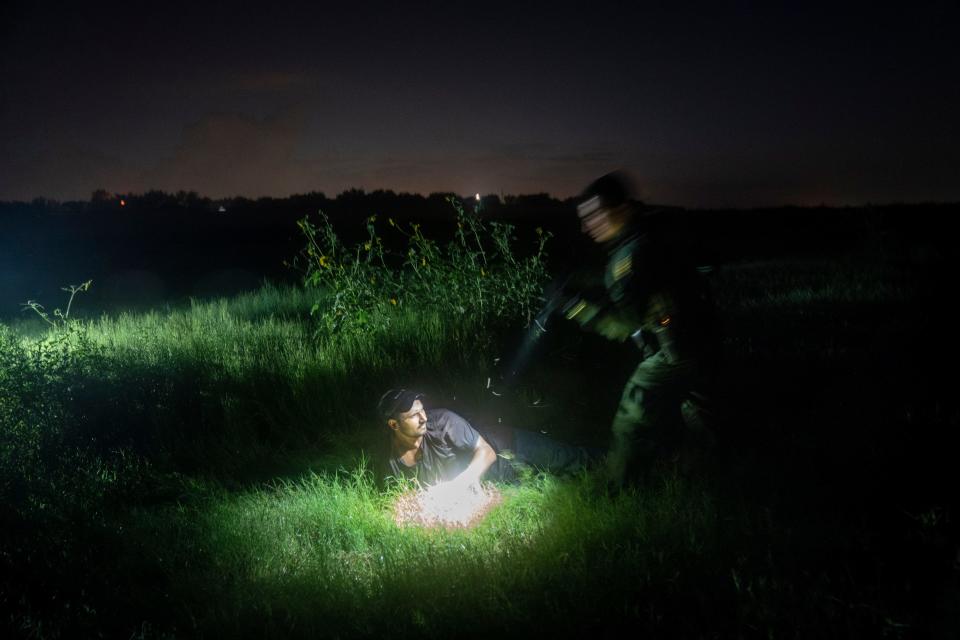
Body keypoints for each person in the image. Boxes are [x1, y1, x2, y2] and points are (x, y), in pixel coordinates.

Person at [565, 171, 717, 488]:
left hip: (675, 352)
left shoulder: (628, 258)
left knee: (631, 420)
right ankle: (706, 481)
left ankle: (617, 490)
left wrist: (575, 309)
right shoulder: (650, 235)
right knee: (701, 418)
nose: (587, 226)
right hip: (704, 341)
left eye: (593, 215)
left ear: (620, 209)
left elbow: (624, 325)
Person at [377, 388, 595, 488]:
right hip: (498, 480)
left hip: (508, 445)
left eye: (422, 410)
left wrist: (458, 486)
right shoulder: (391, 464)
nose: (423, 417)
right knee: (563, 485)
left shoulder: (442, 421)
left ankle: (623, 460)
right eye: (414, 415)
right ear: (394, 424)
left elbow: (487, 451)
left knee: (575, 460)